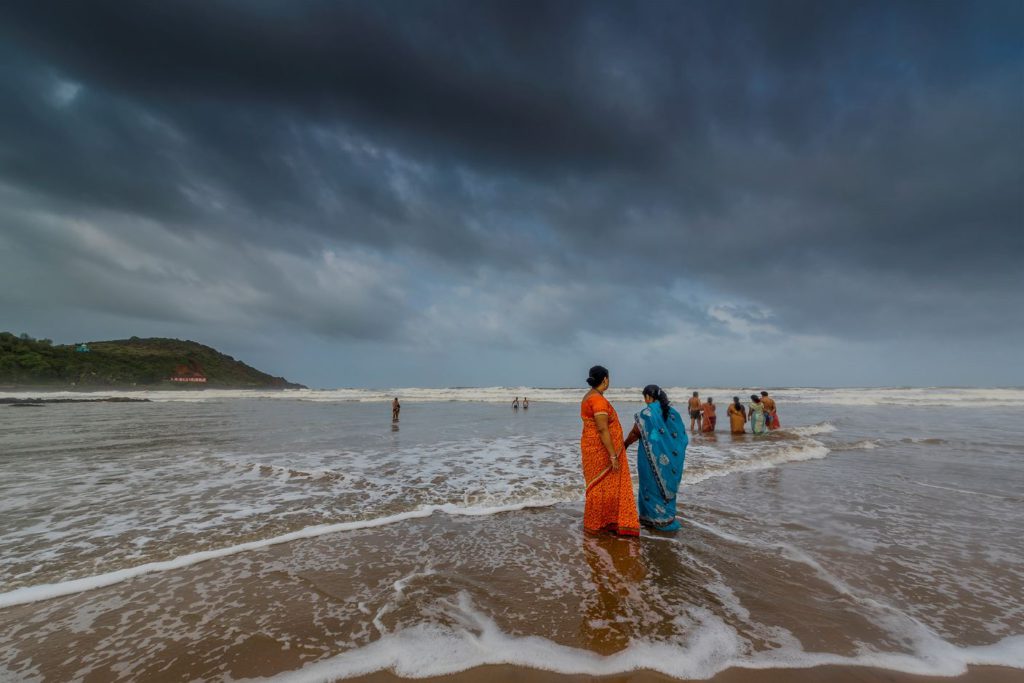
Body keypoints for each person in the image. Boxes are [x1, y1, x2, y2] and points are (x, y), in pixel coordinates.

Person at [580, 365, 640, 536]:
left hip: (594, 448)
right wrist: (613, 454)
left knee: (605, 487)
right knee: (601, 487)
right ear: (605, 379)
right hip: (602, 451)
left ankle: (605, 521)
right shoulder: (597, 400)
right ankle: (598, 524)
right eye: (609, 378)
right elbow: (602, 429)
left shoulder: (590, 396)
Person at [623, 384, 688, 531]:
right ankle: (667, 518)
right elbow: (681, 436)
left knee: (650, 485)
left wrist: (624, 445)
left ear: (648, 397)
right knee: (664, 484)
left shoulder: (647, 413)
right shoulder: (673, 412)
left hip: (649, 457)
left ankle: (651, 519)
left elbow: (635, 432)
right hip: (669, 460)